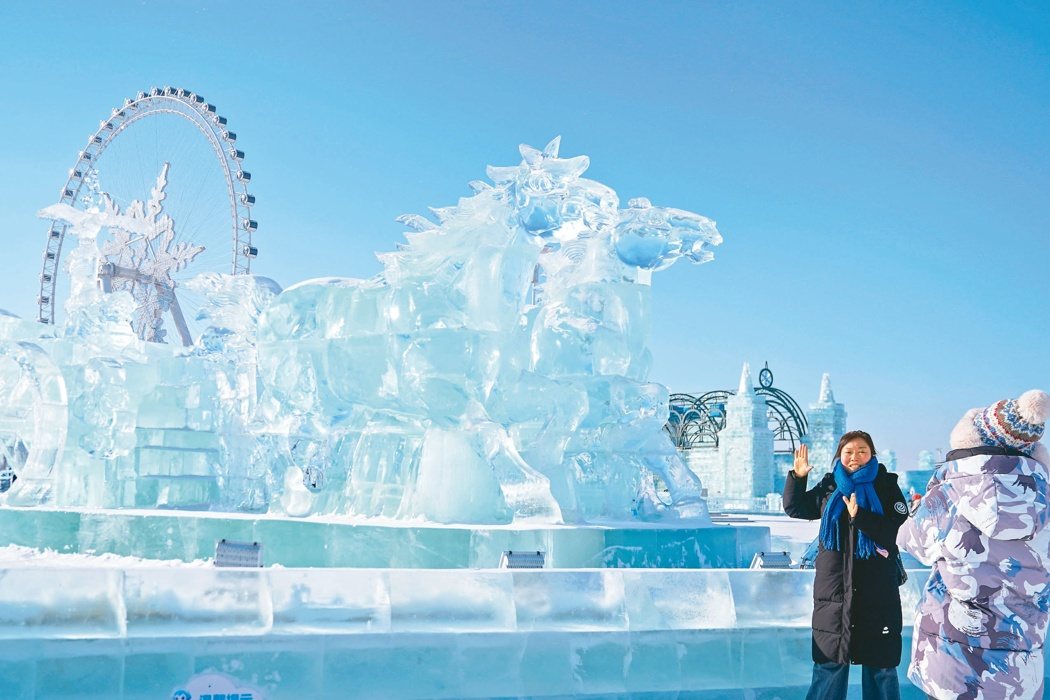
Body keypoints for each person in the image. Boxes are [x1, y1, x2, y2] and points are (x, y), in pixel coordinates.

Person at [898, 389, 1050, 700]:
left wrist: (922, 506)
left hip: (955, 663)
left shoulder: (952, 490)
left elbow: (911, 542)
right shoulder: (1045, 498)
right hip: (1020, 669)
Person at [784, 431, 910, 700]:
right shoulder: (830, 486)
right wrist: (798, 477)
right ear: (839, 456)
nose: (855, 457)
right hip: (834, 592)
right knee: (829, 664)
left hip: (877, 591)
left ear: (872, 454)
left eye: (862, 451)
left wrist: (860, 516)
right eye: (849, 452)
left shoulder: (886, 485)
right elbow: (796, 508)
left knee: (881, 666)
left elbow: (894, 530)